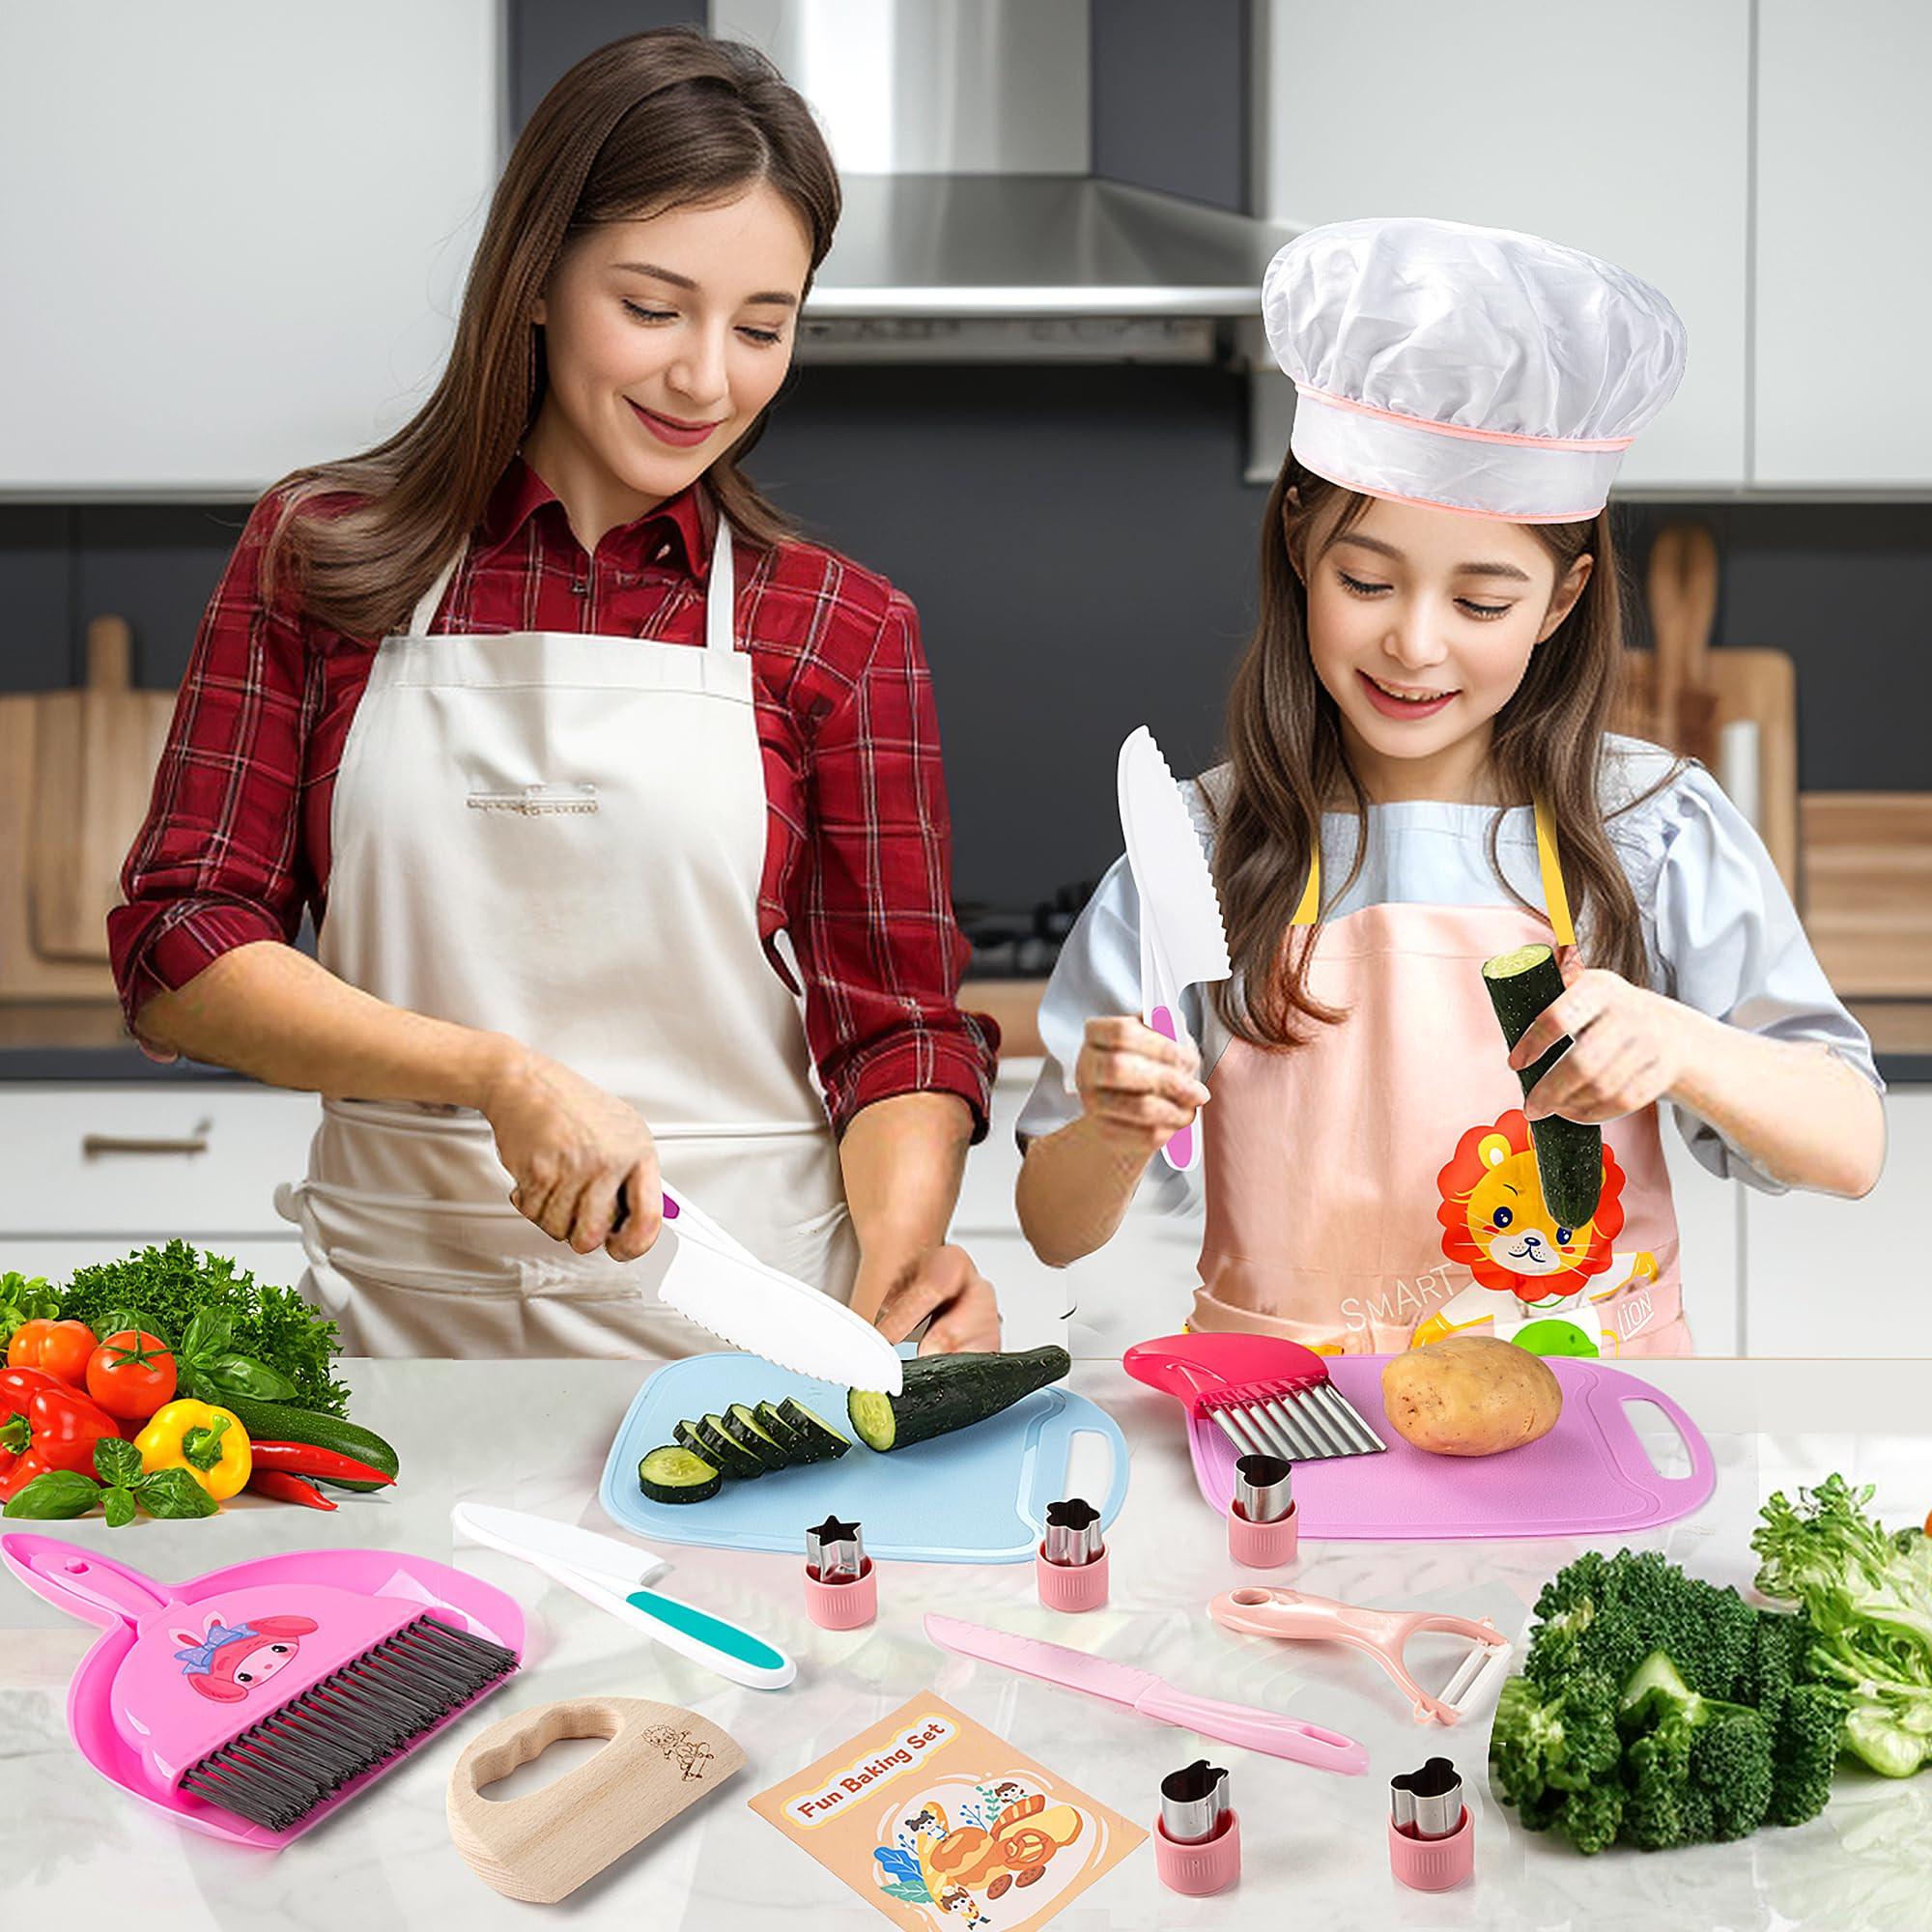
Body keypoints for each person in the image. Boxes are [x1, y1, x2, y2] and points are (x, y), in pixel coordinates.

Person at [108, 28, 1002, 1359]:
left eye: (764, 327)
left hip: (741, 1336)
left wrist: (903, 1267)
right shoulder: (323, 555)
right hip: (404, 1338)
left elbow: (900, 1036)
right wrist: (495, 1073)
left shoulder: (837, 626)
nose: (709, 378)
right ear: (536, 279)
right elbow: (179, 951)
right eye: (652, 309)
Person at [1014, 216, 1886, 1357]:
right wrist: (1115, 1125)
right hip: (1290, 1431)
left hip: (1584, 1431)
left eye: (1479, 603)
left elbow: (1851, 1144)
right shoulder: (1199, 846)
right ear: (1296, 542)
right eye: (1366, 580)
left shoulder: (1650, 828)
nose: (1413, 645)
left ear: (1561, 600)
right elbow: (1051, 1227)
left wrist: (1679, 1043)